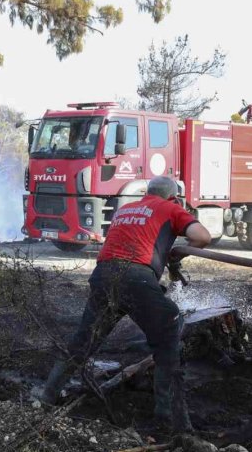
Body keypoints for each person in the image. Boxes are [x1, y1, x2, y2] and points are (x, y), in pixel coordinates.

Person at [40, 176, 212, 432]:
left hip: (104, 275)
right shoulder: (170, 208)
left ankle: (46, 397)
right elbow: (203, 237)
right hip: (136, 278)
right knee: (169, 331)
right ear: (173, 198)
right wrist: (176, 252)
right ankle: (169, 420)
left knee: (83, 342)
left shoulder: (126, 209)